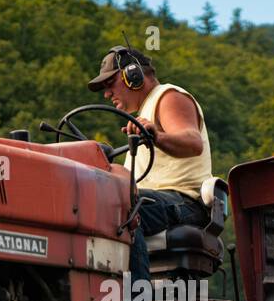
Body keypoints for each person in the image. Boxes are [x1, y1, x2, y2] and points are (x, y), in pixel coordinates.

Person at [87, 45, 213, 287]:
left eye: (110, 83)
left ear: (133, 76)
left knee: (122, 206)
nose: (106, 94)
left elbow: (192, 142)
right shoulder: (143, 114)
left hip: (182, 203)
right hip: (154, 202)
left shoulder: (168, 97)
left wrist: (157, 136)